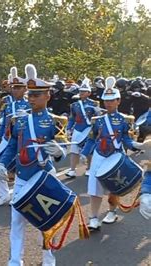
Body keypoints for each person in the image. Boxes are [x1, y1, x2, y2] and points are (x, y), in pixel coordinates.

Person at [0, 64, 68, 266]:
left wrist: (59, 152)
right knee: (16, 220)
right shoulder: (18, 120)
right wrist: (2, 163)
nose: (31, 98)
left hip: (44, 176)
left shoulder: (56, 121)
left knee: (47, 220)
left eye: (37, 94)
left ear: (47, 96)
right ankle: (15, 260)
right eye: (30, 94)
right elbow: (11, 146)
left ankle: (48, 259)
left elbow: (62, 146)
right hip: (22, 176)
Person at [81, 77, 144, 230]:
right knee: (94, 188)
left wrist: (134, 146)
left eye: (111, 100)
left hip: (116, 155)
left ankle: (111, 211)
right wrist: (84, 153)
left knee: (114, 185)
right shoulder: (97, 120)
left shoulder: (124, 120)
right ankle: (94, 218)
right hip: (99, 155)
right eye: (106, 100)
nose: (108, 103)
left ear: (118, 101)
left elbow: (126, 139)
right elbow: (91, 139)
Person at [0, 66, 29, 206]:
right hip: (7, 139)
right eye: (13, 87)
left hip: (24, 140)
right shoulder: (7, 104)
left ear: (25, 89)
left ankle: (20, 194)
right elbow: (3, 122)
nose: (15, 90)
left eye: (19, 87)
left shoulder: (30, 104)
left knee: (21, 166)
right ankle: (3, 194)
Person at [65, 79, 100, 178]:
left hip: (89, 129)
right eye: (80, 91)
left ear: (89, 93)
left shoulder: (94, 104)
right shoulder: (75, 105)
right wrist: (68, 128)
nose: (81, 93)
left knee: (88, 151)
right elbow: (72, 118)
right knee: (74, 150)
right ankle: (72, 170)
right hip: (78, 129)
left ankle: (89, 168)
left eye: (84, 91)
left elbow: (98, 117)